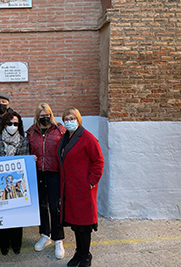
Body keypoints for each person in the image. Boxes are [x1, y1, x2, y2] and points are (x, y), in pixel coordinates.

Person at [58, 108, 104, 267]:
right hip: (70, 189)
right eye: (66, 119)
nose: (68, 121)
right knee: (76, 224)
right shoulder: (65, 137)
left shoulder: (87, 138)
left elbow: (98, 162)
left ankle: (86, 256)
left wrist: (90, 182)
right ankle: (79, 252)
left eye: (72, 118)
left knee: (84, 225)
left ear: (78, 119)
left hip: (84, 189)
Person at [26, 103, 66, 259]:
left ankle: (58, 239)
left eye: (47, 114)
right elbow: (26, 151)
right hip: (38, 172)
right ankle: (45, 234)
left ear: (51, 114)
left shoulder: (60, 130)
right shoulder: (31, 132)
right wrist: (31, 159)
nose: (45, 117)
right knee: (42, 205)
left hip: (54, 172)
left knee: (55, 206)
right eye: (42, 115)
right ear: (37, 116)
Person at [0, 111, 29, 255]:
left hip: (17, 184)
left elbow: (24, 163)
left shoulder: (24, 141)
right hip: (2, 185)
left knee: (17, 215)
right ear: (4, 124)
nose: (12, 126)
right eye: (9, 123)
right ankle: (3, 244)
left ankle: (16, 244)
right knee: (2, 214)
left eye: (15, 124)